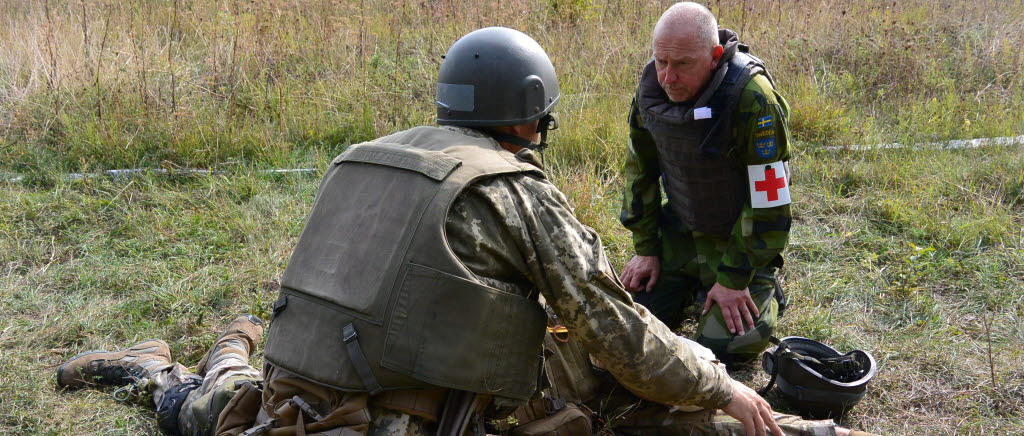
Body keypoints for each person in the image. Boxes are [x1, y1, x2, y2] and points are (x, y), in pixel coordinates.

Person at [57, 27, 870, 436]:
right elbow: (614, 328)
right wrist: (723, 386)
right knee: (627, 401)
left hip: (300, 389)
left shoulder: (364, 156)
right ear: (532, 115)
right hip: (414, 413)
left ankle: (191, 359)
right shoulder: (513, 191)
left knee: (225, 410)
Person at [619, 2, 794, 366]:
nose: (668, 77)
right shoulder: (652, 91)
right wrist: (646, 248)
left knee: (723, 350)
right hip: (682, 231)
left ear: (715, 56)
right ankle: (693, 284)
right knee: (628, 324)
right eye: (661, 62)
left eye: (683, 64)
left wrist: (734, 278)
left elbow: (770, 200)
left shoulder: (752, 97)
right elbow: (640, 171)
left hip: (738, 239)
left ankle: (763, 289)